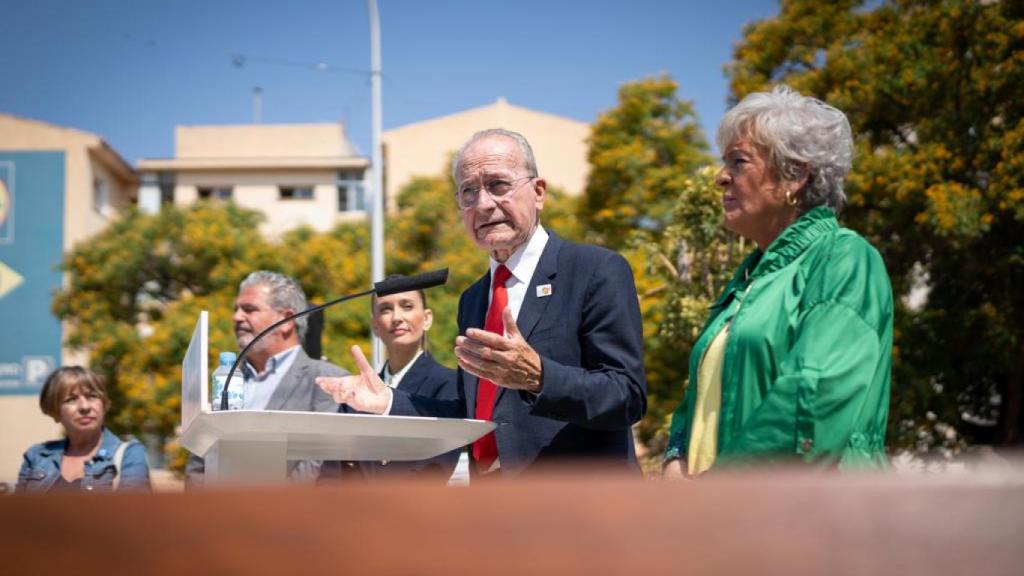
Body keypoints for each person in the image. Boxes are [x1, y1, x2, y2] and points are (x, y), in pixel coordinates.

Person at [318, 128, 647, 478]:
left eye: (498, 185)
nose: (484, 204)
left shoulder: (594, 271)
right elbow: (472, 412)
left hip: (579, 505)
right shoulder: (474, 299)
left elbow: (626, 396)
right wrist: (388, 401)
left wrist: (539, 377)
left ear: (538, 193)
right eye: (469, 191)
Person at [663, 85, 893, 478]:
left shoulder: (843, 258)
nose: (721, 178)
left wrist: (714, 495)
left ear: (795, 174)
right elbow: (699, 400)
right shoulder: (749, 279)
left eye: (738, 162)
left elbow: (814, 397)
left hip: (807, 524)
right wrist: (674, 458)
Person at [186, 271, 344, 485]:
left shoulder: (329, 380)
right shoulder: (226, 381)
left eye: (249, 309)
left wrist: (259, 508)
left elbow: (320, 465)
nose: (237, 317)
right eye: (236, 309)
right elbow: (199, 462)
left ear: (287, 320)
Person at [321, 282, 461, 482]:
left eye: (407, 306)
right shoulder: (356, 394)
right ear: (375, 325)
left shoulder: (448, 384)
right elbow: (331, 476)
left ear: (427, 318)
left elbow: (436, 469)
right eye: (385, 309)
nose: (397, 317)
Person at [17, 366, 150, 492]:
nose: (84, 407)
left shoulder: (129, 454)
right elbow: (18, 513)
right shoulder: (37, 456)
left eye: (92, 396)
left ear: (104, 405)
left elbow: (130, 513)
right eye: (71, 399)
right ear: (55, 412)